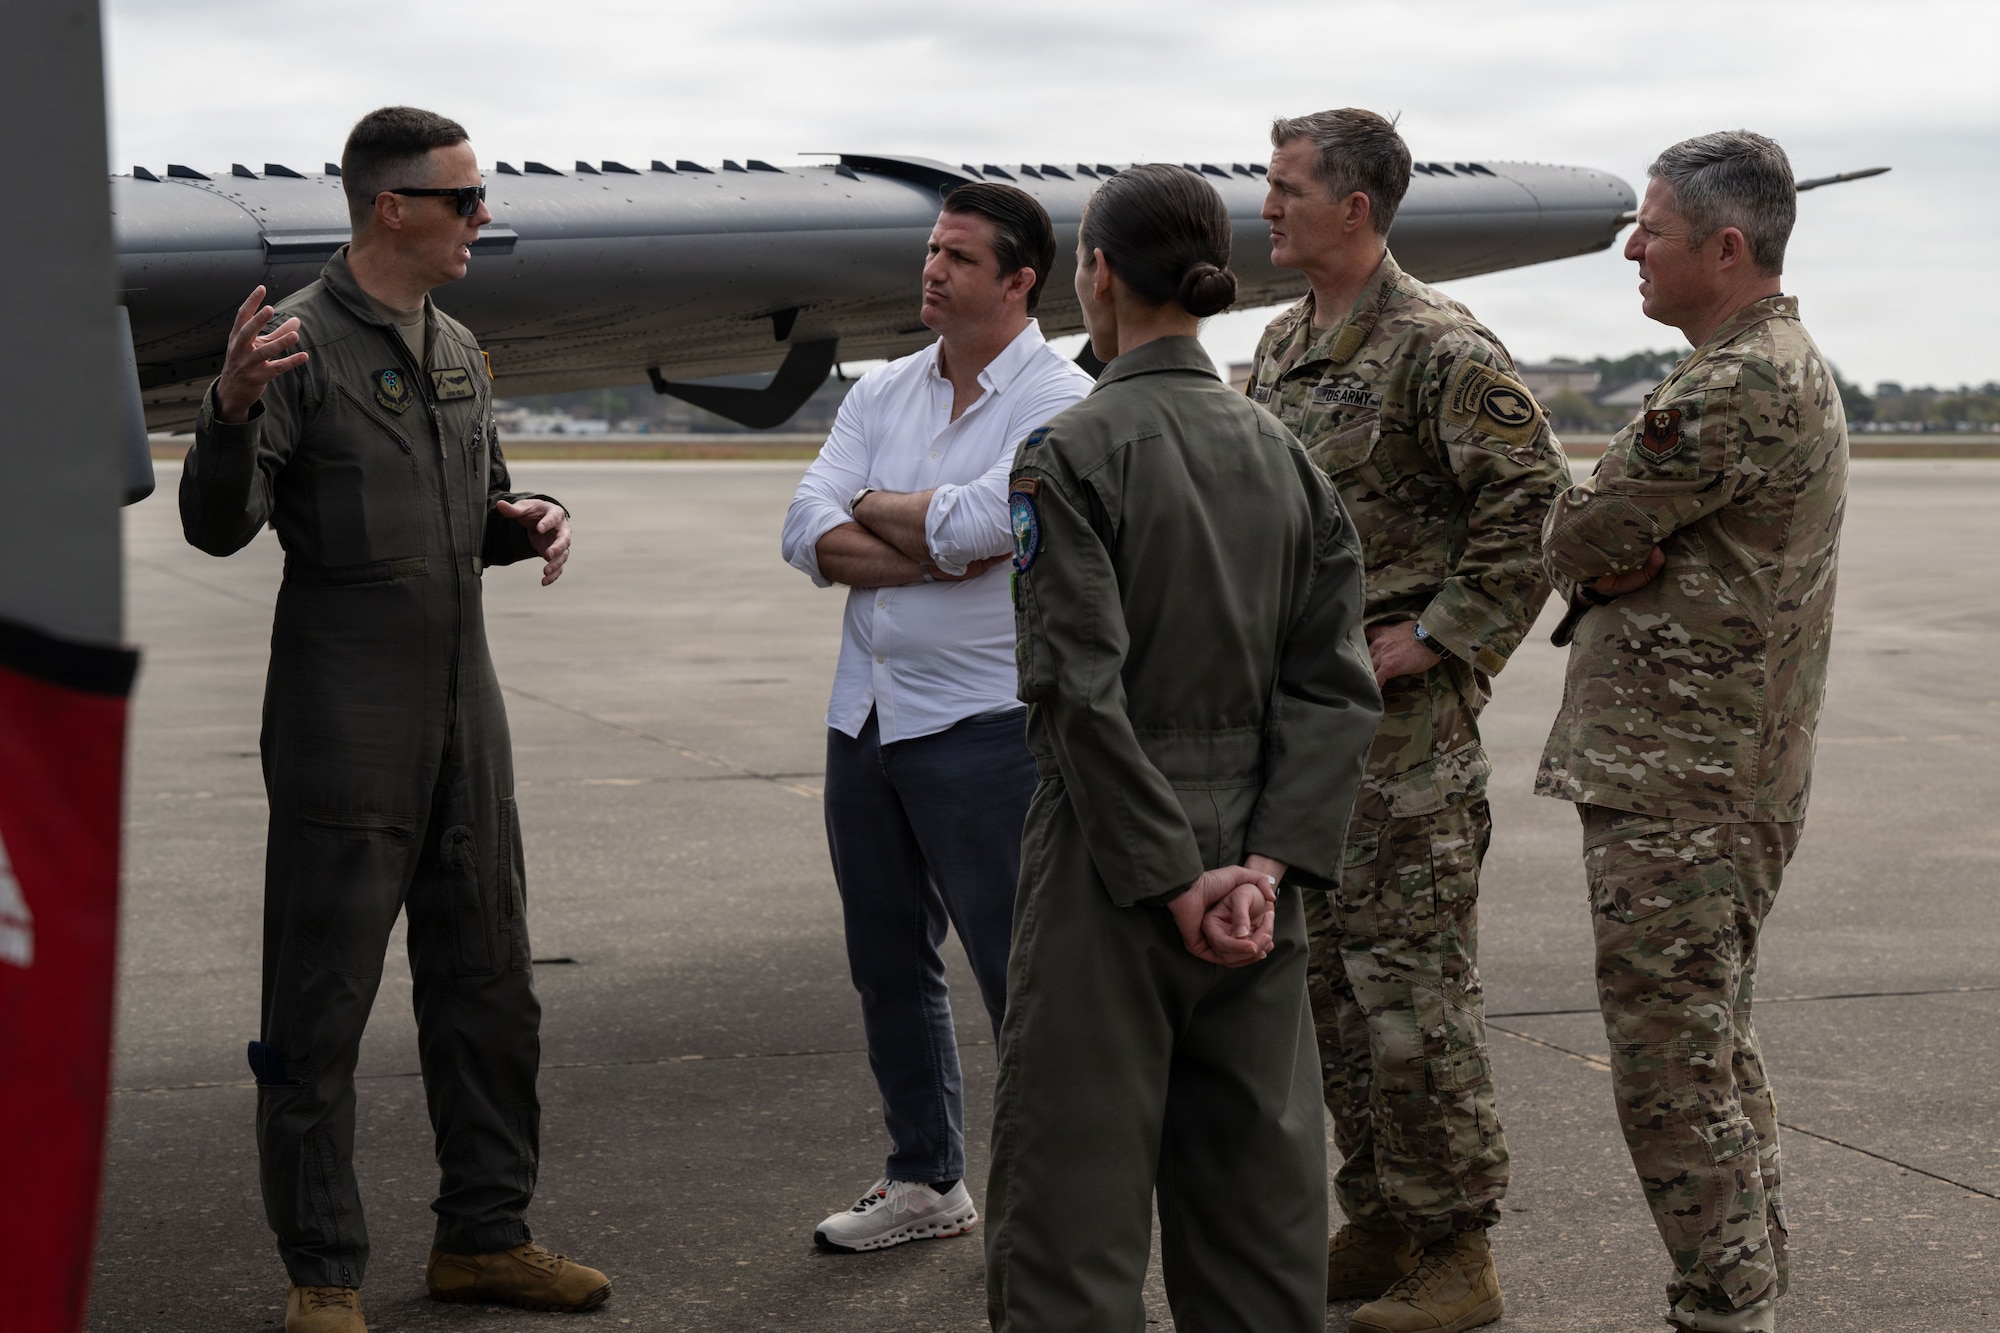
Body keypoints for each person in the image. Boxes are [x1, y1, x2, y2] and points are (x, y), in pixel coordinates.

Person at [179, 107, 606, 1333]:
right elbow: (220, 524)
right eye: (466, 199)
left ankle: (487, 1236)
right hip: (344, 726)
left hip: (467, 723)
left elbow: (471, 506)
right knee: (318, 1006)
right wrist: (222, 410)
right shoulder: (295, 346)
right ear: (392, 208)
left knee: (489, 992)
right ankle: (323, 1270)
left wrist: (525, 521)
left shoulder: (460, 346)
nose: (485, 217)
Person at [982, 162, 1381, 1333]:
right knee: (1260, 1218)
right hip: (1258, 882)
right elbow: (1334, 687)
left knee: (1071, 1219)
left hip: (1115, 868)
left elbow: (1074, 690)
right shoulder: (1285, 460)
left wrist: (1168, 876)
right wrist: (1256, 870)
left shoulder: (1069, 454)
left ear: (1094, 272)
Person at [1242, 108, 1570, 1332]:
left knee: (1412, 993)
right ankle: (1382, 1214)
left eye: (1283, 188)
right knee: (1330, 988)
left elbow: (1531, 505)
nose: (1265, 206)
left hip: (1404, 739)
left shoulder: (1439, 347)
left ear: (1354, 208)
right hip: (1310, 735)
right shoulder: (1280, 343)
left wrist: (1436, 635)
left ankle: (1458, 1248)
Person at [1536, 130, 1845, 1333]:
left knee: (1669, 1068)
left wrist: (1608, 555)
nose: (1631, 248)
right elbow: (1610, 543)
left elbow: (1573, 536)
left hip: (1687, 784)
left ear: (1725, 248)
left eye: (1651, 232)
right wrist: (1619, 555)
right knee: (1709, 1044)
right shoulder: (1766, 365)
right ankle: (1746, 1279)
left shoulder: (1732, 385)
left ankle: (1722, 1304)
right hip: (1717, 774)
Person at [779, 182, 1094, 1253]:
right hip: (863, 713)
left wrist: (896, 517)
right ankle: (926, 1179)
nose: (930, 270)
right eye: (929, 249)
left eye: (957, 257)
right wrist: (933, 539)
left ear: (1016, 281)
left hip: (983, 722)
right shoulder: (883, 389)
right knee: (885, 959)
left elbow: (1003, 523)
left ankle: (1055, 1202)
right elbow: (805, 525)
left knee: (1020, 969)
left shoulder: (1057, 397)